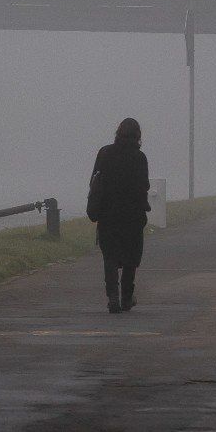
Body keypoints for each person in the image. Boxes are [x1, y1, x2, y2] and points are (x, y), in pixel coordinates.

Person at [88, 117, 151, 313]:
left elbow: (94, 181)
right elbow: (144, 186)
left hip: (108, 214)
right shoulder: (139, 158)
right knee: (131, 258)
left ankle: (112, 297)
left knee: (110, 256)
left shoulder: (105, 153)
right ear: (138, 136)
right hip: (132, 215)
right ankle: (126, 297)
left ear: (118, 133)